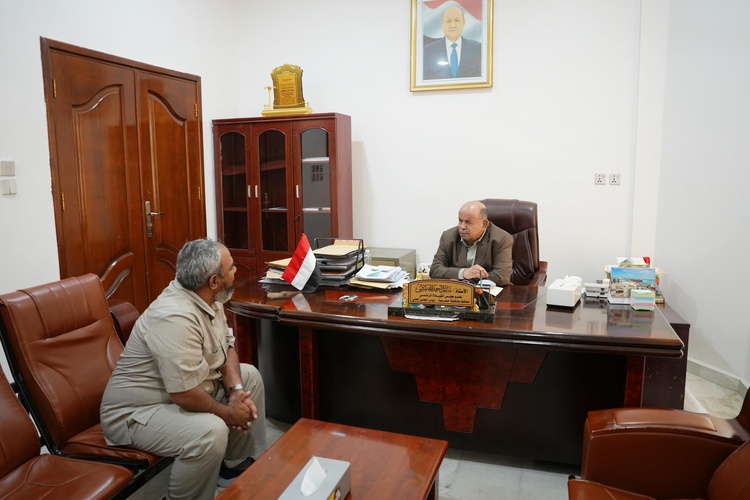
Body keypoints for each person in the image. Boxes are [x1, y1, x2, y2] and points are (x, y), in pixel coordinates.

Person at [100, 238, 266, 500]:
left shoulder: (209, 296)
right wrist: (229, 414)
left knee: (248, 377)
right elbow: (184, 394)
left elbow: (226, 349)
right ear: (214, 281)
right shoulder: (173, 316)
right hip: (136, 414)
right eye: (232, 267)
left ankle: (231, 466)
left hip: (182, 392)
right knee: (210, 431)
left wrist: (236, 392)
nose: (236, 271)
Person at [430, 200, 513, 285]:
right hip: (457, 292)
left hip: (490, 292)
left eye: (468, 222)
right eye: (460, 220)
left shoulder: (502, 239)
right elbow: (435, 270)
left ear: (484, 224)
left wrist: (462, 279)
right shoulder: (448, 236)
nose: (462, 226)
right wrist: (464, 273)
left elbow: (501, 277)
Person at [423, 5, 482, 80]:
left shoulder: (478, 49)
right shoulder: (427, 51)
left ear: (464, 22)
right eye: (448, 21)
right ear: (442, 24)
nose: (453, 25)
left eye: (457, 20)